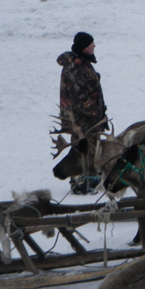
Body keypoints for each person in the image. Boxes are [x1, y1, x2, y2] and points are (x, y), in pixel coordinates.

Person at [57, 32, 107, 192]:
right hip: (81, 120)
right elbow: (79, 98)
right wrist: (95, 113)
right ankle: (80, 181)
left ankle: (90, 177)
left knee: (90, 148)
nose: (94, 46)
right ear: (85, 47)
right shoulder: (74, 68)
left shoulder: (83, 64)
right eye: (92, 44)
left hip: (89, 119)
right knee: (81, 149)